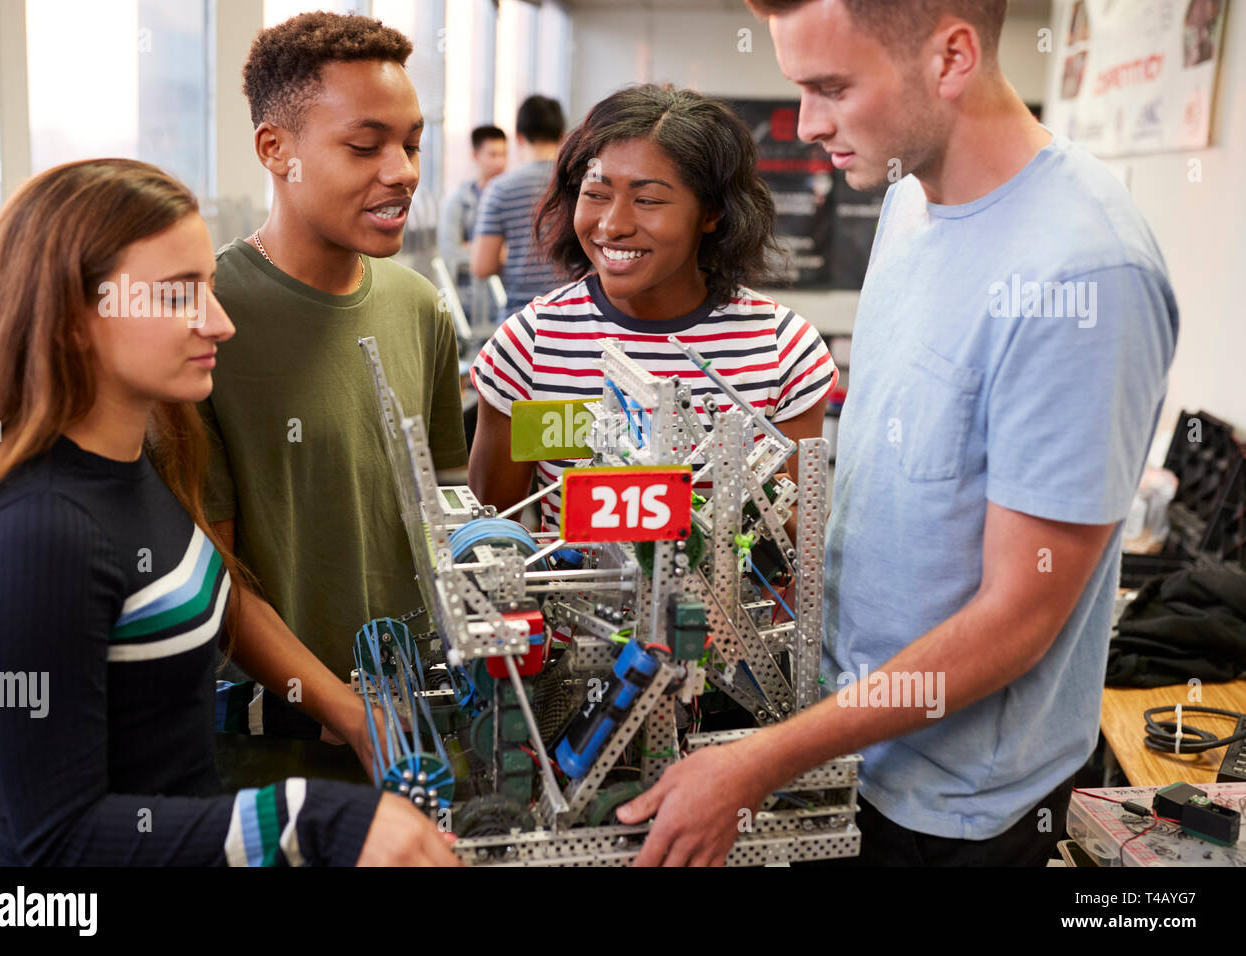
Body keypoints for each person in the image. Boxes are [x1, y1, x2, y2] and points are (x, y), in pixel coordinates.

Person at [617, 0, 1178, 867]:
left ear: (951, 56)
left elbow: (1016, 619)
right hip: (852, 751)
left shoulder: (1084, 275)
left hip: (956, 815)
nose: (806, 125)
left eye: (831, 87)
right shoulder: (909, 201)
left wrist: (759, 763)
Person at [0, 158, 458, 866]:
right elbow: (50, 846)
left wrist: (345, 713)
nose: (217, 323)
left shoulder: (144, 467)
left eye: (209, 288)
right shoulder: (39, 533)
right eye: (177, 295)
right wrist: (305, 818)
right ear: (70, 319)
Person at [198, 12, 468, 784]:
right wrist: (346, 711)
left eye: (412, 143)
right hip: (276, 752)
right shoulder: (206, 318)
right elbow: (214, 575)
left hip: (428, 733)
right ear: (275, 150)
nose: (404, 170)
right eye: (365, 145)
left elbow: (445, 518)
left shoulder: (419, 306)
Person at [468, 84, 837, 525]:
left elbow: (794, 549)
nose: (613, 224)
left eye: (648, 200)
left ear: (712, 213)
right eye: (596, 194)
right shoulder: (528, 346)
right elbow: (492, 535)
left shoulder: (784, 351)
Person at [470, 94, 570, 322]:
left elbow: (481, 266)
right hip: (574, 315)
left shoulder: (500, 189)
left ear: (518, 136)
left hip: (521, 319)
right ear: (562, 136)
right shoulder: (577, 184)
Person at [438, 125, 507, 323]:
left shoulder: (508, 200)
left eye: (503, 154)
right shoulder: (456, 202)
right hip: (467, 303)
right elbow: (451, 251)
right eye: (492, 154)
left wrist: (476, 247)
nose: (499, 162)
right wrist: (497, 251)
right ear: (475, 155)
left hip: (503, 299)